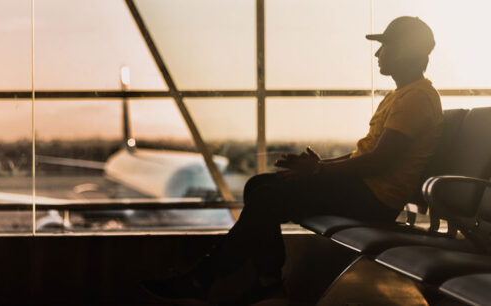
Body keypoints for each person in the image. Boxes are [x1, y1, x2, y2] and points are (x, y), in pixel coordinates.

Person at [142, 16, 443, 305]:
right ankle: (264, 282)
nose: (378, 53)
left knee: (267, 195)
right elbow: (365, 156)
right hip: (363, 189)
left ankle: (208, 280)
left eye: (386, 45)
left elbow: (380, 162)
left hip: (374, 199)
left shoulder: (416, 98)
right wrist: (317, 167)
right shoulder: (402, 95)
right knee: (259, 185)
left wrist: (320, 171)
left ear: (405, 51)